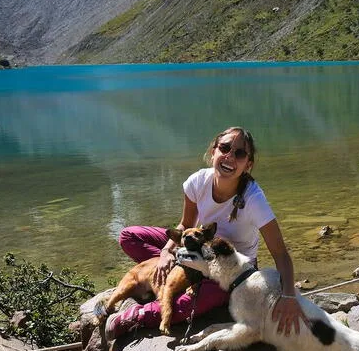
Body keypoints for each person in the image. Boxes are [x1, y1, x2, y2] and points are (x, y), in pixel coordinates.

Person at [105, 126, 307, 340]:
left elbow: (281, 254)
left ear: (248, 165)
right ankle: (177, 275)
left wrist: (288, 297)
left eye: (239, 153)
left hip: (230, 269)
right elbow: (185, 225)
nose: (230, 155)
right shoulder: (197, 182)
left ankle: (140, 314)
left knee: (195, 302)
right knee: (129, 236)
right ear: (214, 152)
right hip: (195, 248)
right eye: (225, 147)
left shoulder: (254, 200)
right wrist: (166, 252)